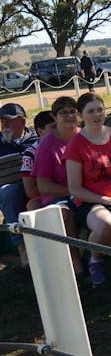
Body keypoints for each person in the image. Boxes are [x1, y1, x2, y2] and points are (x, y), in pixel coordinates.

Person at [65, 92, 111, 288]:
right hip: (91, 201)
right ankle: (95, 261)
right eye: (90, 111)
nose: (96, 115)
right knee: (105, 226)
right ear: (80, 115)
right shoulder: (76, 144)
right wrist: (105, 200)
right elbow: (75, 189)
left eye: (100, 109)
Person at [31, 96, 84, 274]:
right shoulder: (47, 144)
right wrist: (74, 191)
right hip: (59, 196)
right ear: (55, 117)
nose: (69, 116)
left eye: (72, 111)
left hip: (89, 191)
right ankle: (74, 260)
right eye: (63, 112)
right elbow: (43, 186)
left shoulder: (86, 136)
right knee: (64, 213)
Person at [0, 103, 37, 263]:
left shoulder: (37, 139)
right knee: (9, 192)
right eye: (2, 121)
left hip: (37, 188)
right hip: (9, 191)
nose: (4, 124)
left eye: (9, 121)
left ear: (22, 121)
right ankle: (23, 249)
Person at [21, 110, 57, 211]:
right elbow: (31, 191)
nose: (59, 129)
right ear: (40, 131)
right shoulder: (30, 154)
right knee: (33, 205)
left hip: (71, 193)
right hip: (43, 198)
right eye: (54, 127)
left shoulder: (68, 145)